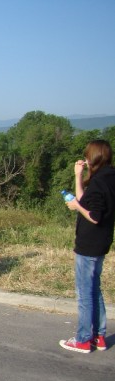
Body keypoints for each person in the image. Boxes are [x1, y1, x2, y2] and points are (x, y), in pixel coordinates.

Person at [59, 139, 115, 353]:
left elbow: (94, 215)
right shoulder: (108, 177)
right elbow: (86, 201)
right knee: (94, 289)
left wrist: (76, 206)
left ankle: (83, 339)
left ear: (94, 157)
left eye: (87, 156)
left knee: (84, 293)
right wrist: (78, 176)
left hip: (89, 243)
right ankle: (99, 336)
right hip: (102, 241)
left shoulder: (100, 182)